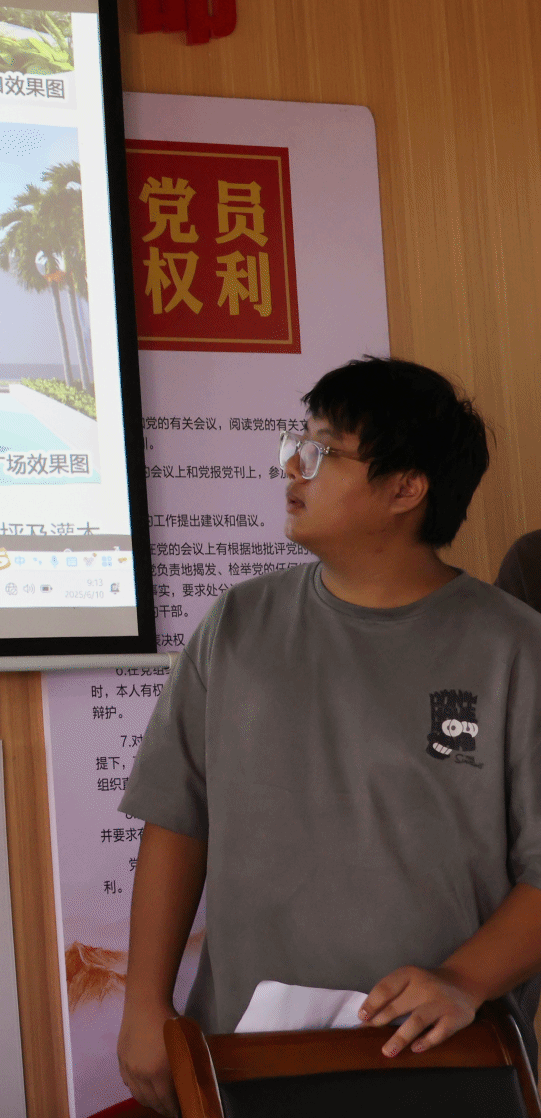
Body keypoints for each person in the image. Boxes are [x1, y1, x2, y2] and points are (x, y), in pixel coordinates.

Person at [116, 357, 541, 1116]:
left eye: (321, 450)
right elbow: (177, 820)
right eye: (296, 443)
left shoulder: (515, 647)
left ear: (406, 488)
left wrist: (464, 979)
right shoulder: (237, 624)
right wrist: (145, 1003)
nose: (291, 466)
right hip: (246, 1056)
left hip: (450, 1058)